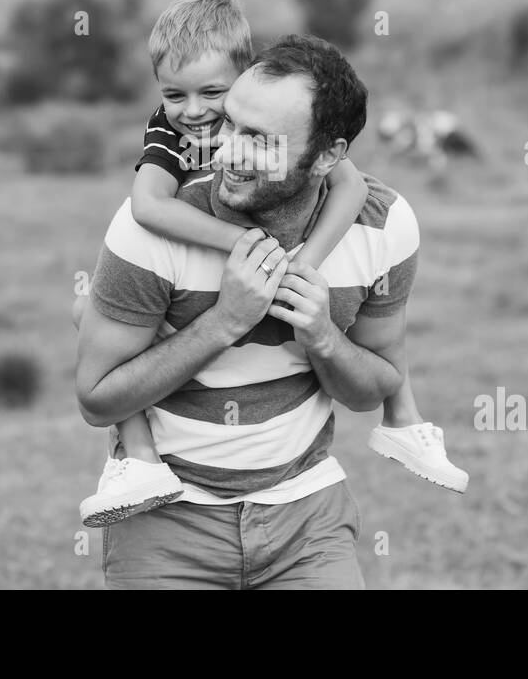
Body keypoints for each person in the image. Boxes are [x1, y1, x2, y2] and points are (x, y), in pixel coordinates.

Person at [75, 33, 468, 589]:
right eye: (230, 123)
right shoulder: (152, 228)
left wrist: (324, 338)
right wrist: (224, 323)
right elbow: (97, 400)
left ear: (328, 156)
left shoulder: (384, 228)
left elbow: (369, 390)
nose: (228, 150)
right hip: (164, 520)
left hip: (307, 519)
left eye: (259, 139)